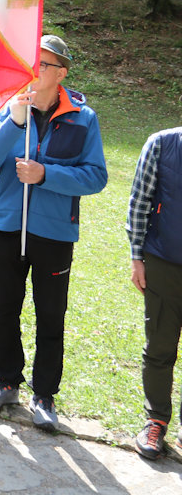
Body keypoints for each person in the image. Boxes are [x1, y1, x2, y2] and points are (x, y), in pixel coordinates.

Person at [0, 34, 107, 431]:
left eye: (43, 65)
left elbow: (96, 176)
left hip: (54, 234)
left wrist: (46, 174)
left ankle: (44, 395)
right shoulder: (10, 107)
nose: (35, 71)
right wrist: (15, 121)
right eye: (32, 63)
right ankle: (6, 382)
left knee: (50, 315)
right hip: (6, 226)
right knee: (5, 310)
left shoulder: (84, 118)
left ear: (61, 73)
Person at [127, 125, 182, 460]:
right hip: (163, 262)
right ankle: (156, 420)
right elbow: (140, 201)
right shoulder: (161, 144)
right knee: (160, 346)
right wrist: (137, 256)